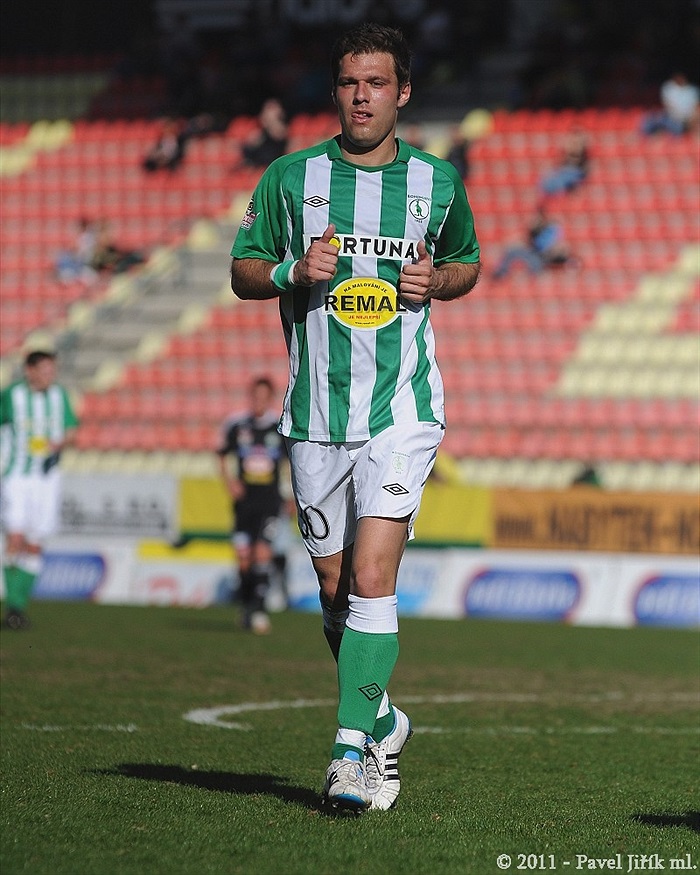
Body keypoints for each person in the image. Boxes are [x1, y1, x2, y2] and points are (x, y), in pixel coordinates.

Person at [229, 23, 480, 814]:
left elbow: (468, 261)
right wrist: (287, 269)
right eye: (349, 83)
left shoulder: (435, 183)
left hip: (402, 408)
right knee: (337, 591)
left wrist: (436, 279)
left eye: (377, 83)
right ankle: (383, 719)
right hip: (314, 416)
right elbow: (241, 270)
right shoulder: (290, 178)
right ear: (337, 91)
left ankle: (347, 755)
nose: (362, 96)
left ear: (402, 92)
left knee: (374, 577)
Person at [1, 350, 78, 629]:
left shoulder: (59, 397)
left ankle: (17, 608)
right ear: (29, 370)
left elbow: (71, 430)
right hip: (16, 476)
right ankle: (11, 604)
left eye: (52, 370)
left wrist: (61, 443)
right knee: (15, 536)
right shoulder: (12, 396)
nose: (50, 376)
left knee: (35, 542)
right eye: (44, 370)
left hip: (47, 480)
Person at [216, 377, 289, 635]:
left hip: (269, 501)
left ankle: (259, 611)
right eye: (255, 396)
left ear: (270, 398)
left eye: (263, 397)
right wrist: (230, 483)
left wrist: (290, 494)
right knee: (244, 560)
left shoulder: (278, 427)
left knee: (261, 553)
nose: (259, 401)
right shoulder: (238, 426)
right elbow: (222, 455)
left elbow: (290, 464)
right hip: (244, 503)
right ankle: (247, 607)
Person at [493, 205, 570, 278]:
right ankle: (501, 273)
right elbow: (529, 242)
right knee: (512, 251)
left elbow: (548, 245)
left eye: (538, 217)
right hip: (534, 253)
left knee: (534, 265)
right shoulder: (535, 229)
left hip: (544, 257)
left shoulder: (552, 229)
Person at [641, 72, 700, 136]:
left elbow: (695, 107)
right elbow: (669, 105)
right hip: (671, 116)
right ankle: (641, 135)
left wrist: (689, 117)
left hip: (686, 119)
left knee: (677, 129)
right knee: (651, 119)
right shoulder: (669, 87)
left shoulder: (693, 90)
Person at [240, 98, 289, 169]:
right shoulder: (258, 136)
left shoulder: (288, 134)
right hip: (261, 170)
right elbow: (247, 155)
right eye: (270, 109)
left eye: (274, 108)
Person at [539, 127, 590, 196]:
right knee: (546, 182)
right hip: (566, 170)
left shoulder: (582, 153)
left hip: (575, 171)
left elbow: (577, 155)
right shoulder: (566, 152)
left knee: (559, 183)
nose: (574, 143)